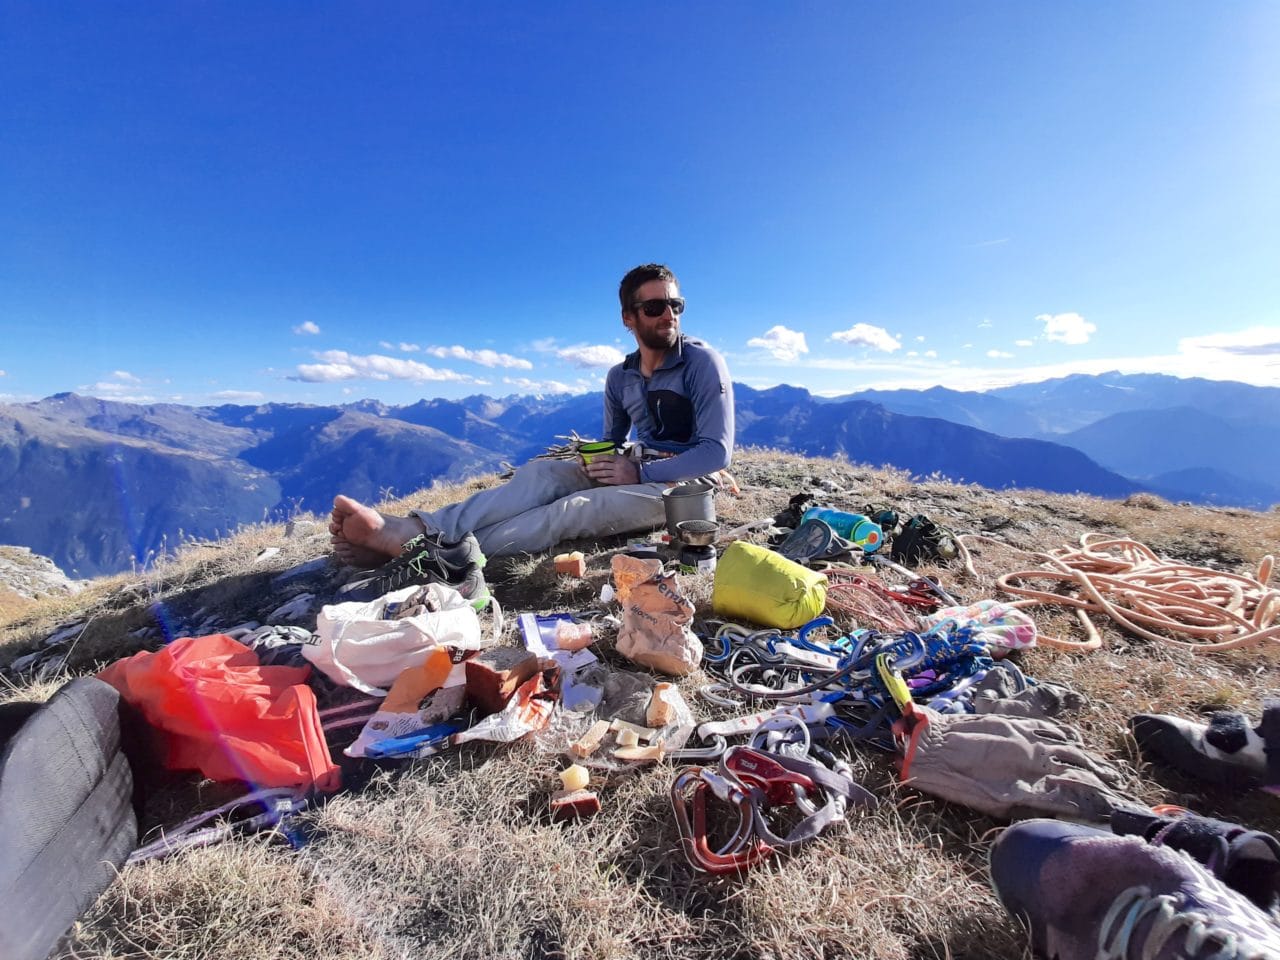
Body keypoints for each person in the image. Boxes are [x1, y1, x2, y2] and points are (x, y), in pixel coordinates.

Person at [329, 263, 734, 567]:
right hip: (638, 466)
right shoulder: (620, 376)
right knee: (540, 475)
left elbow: (717, 453)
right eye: (655, 306)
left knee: (570, 512)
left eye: (675, 304)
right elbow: (612, 442)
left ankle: (430, 554)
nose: (669, 314)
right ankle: (417, 530)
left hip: (686, 488)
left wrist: (641, 474)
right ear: (629, 317)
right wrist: (594, 464)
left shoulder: (701, 362)